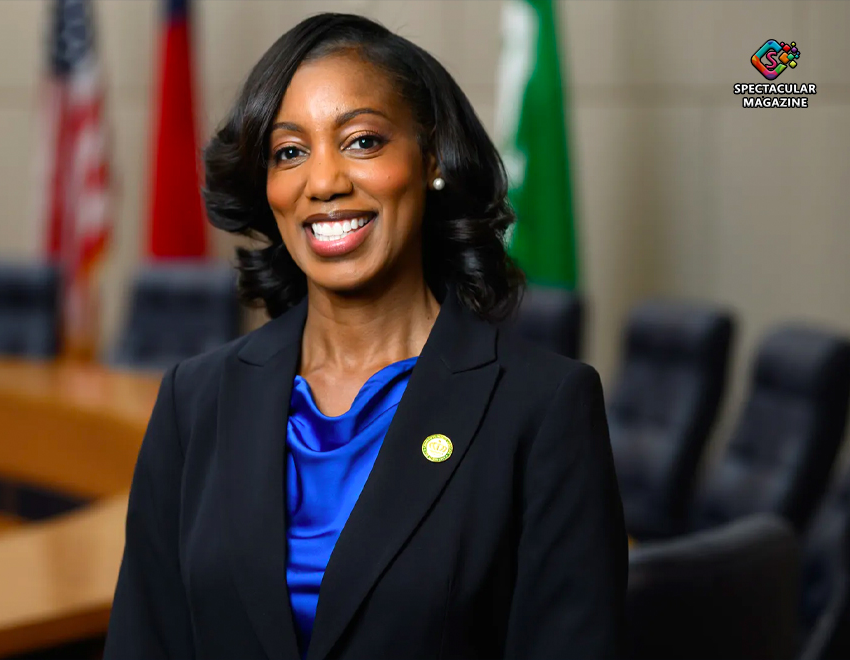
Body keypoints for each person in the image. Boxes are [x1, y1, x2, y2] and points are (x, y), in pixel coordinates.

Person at [105, 12, 625, 660]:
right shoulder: (195, 400)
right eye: (289, 152)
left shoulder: (543, 408)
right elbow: (143, 643)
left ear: (431, 158)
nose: (323, 182)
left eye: (362, 141)